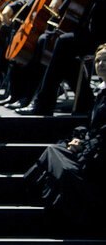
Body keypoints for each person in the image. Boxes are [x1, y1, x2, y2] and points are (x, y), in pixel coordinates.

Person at [24, 43, 106, 227]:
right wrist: (80, 140)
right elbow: (93, 128)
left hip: (99, 157)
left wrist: (84, 146)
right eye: (98, 60)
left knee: (59, 159)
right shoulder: (101, 92)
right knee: (53, 151)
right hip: (92, 146)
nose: (101, 64)